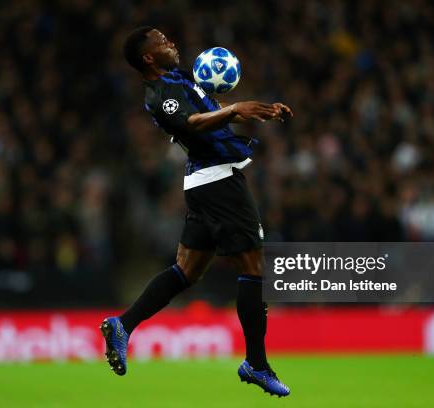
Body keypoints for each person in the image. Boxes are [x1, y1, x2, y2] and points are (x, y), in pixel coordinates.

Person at [101, 26, 293, 397]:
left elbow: (210, 113)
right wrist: (236, 108)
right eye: (162, 43)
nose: (170, 44)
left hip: (204, 183)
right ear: (148, 58)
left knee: (186, 271)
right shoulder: (159, 95)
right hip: (218, 182)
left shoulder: (178, 79)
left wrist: (257, 111)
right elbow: (193, 123)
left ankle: (123, 325)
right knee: (253, 268)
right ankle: (257, 363)